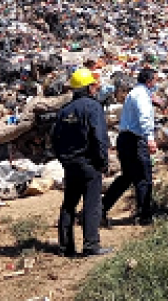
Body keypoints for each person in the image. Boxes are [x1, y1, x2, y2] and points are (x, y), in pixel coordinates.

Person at [51, 68, 112, 257]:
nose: (95, 88)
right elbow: (99, 136)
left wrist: (64, 160)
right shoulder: (93, 107)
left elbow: (54, 139)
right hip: (89, 164)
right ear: (88, 88)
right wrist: (102, 161)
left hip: (71, 165)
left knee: (69, 204)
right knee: (92, 204)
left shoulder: (64, 111)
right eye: (93, 85)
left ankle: (65, 246)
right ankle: (91, 245)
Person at [102, 68, 158, 226]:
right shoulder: (141, 95)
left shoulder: (135, 93)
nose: (156, 83)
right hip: (135, 140)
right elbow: (144, 117)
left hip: (125, 139)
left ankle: (101, 208)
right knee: (143, 177)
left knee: (127, 177)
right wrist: (150, 138)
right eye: (155, 80)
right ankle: (144, 216)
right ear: (149, 81)